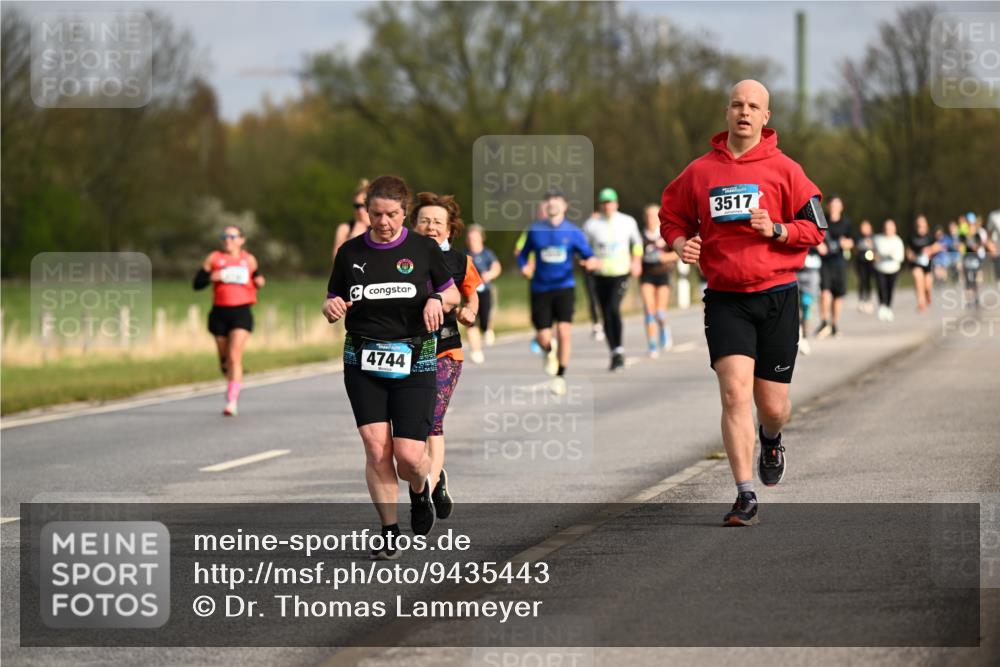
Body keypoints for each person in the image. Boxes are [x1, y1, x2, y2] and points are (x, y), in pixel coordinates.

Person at [659, 79, 825, 527]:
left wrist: (777, 229)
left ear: (766, 117)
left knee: (773, 406)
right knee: (734, 393)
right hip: (726, 299)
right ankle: (744, 494)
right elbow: (671, 216)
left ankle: (771, 438)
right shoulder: (700, 172)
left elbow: (816, 228)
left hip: (777, 296)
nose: (744, 112)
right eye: (737, 105)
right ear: (727, 113)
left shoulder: (786, 170)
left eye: (753, 106)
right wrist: (680, 243)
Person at [323, 175, 460, 558]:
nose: (383, 222)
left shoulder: (422, 248)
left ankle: (420, 490)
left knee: (410, 457)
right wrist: (331, 307)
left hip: (415, 357)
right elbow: (332, 297)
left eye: (392, 214)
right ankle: (389, 531)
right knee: (376, 449)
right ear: (367, 211)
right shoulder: (350, 252)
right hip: (362, 358)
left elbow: (451, 291)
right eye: (376, 214)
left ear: (404, 212)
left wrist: (436, 299)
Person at [411, 192, 481, 525]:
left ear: (450, 229)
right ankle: (434, 478)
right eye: (424, 220)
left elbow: (472, 295)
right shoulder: (400, 258)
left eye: (437, 222)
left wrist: (469, 312)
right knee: (411, 427)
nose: (431, 227)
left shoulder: (460, 261)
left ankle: (425, 490)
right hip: (404, 351)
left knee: (432, 421)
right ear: (413, 225)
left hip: (444, 350)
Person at [517, 187, 600, 395]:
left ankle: (560, 376)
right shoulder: (535, 230)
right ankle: (548, 350)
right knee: (543, 337)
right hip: (540, 288)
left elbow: (589, 255)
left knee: (564, 332)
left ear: (564, 205)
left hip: (564, 287)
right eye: (548, 200)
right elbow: (522, 255)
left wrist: (591, 262)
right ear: (545, 206)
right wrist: (524, 267)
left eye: (556, 199)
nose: (552, 203)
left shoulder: (573, 232)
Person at [193, 225, 266, 416]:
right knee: (225, 360)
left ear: (242, 240)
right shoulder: (214, 258)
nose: (228, 240)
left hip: (241, 312)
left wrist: (260, 281)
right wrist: (212, 276)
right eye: (224, 236)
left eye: (232, 237)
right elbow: (196, 283)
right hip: (219, 313)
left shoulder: (248, 259)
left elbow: (257, 277)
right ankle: (231, 380)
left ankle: (232, 401)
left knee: (234, 356)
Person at [583, 188, 643, 370]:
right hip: (599, 274)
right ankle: (614, 352)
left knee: (613, 308)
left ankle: (619, 348)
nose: (607, 206)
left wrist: (636, 262)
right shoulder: (591, 224)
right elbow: (582, 247)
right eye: (604, 203)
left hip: (620, 272)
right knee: (605, 313)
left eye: (610, 202)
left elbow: (637, 243)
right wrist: (587, 260)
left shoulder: (627, 221)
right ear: (600, 205)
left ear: (616, 204)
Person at [639, 203, 677, 358]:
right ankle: (652, 345)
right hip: (646, 276)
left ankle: (664, 328)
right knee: (649, 311)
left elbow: (677, 253)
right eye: (648, 216)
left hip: (662, 275)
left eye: (654, 216)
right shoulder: (641, 236)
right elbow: (635, 254)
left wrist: (664, 257)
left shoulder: (665, 234)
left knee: (660, 313)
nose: (651, 219)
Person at [815, 195, 853, 338]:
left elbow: (852, 241)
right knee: (824, 293)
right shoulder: (822, 220)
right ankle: (824, 322)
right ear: (828, 206)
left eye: (837, 205)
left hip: (840, 262)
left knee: (837, 295)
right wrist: (819, 245)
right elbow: (814, 236)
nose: (834, 207)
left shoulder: (846, 223)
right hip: (825, 262)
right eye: (832, 205)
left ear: (841, 207)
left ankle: (834, 325)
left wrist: (846, 243)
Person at [465, 224, 502, 363]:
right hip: (469, 292)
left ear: (481, 238)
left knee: (484, 319)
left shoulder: (487, 254)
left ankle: (487, 329)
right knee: (470, 320)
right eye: (470, 239)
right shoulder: (464, 254)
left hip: (485, 291)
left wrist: (490, 274)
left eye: (475, 238)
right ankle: (476, 351)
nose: (472, 241)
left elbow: (497, 267)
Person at [873, 219, 905, 321]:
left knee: (890, 289)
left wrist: (891, 256)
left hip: (893, 269)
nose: (888, 229)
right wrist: (874, 256)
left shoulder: (898, 241)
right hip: (880, 268)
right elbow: (872, 252)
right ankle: (882, 306)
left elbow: (900, 257)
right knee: (881, 288)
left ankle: (888, 307)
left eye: (890, 227)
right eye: (887, 227)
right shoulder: (878, 239)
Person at [332, 179, 371, 261]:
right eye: (357, 206)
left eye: (364, 205)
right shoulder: (345, 228)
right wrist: (353, 237)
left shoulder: (381, 227)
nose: (360, 210)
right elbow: (336, 259)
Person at [907, 214, 939, 313]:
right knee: (918, 277)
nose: (921, 224)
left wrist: (930, 250)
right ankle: (921, 302)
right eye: (919, 222)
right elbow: (908, 250)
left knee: (927, 285)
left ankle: (928, 294)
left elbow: (937, 247)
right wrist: (911, 256)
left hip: (928, 263)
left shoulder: (930, 235)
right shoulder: (912, 236)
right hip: (916, 262)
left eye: (922, 222)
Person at [796, 245, 822, 355]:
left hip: (811, 271)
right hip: (795, 271)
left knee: (806, 305)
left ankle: (804, 337)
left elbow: (824, 248)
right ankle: (799, 335)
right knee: (794, 308)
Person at [854, 219, 877, 313]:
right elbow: (855, 248)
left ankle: (868, 300)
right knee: (862, 281)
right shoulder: (858, 237)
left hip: (870, 262)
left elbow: (876, 250)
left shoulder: (873, 237)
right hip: (860, 262)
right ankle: (861, 300)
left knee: (868, 281)